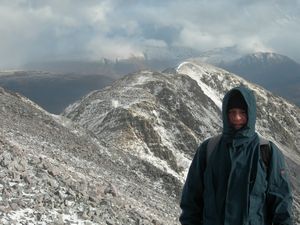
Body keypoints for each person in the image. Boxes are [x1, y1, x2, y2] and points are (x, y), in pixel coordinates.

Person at [179, 86, 293, 225]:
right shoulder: (208, 149)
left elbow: (281, 203)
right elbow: (191, 200)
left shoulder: (267, 151)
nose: (236, 118)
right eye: (232, 112)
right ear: (225, 114)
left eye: (242, 112)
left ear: (251, 114)